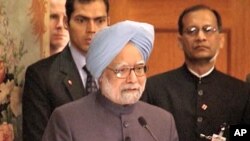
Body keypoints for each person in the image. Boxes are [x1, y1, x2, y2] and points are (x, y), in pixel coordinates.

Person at [42, 20, 179, 141]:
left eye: (139, 68)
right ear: (101, 75)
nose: (132, 79)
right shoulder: (66, 119)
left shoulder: (164, 122)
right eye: (122, 70)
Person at [141, 4, 250, 141]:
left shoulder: (242, 92)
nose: (200, 37)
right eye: (192, 30)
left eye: (208, 30)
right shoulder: (154, 88)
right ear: (180, 41)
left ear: (221, 40)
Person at [22, 0, 110, 141]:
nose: (92, 29)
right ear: (66, 22)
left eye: (100, 21)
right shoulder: (41, 76)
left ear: (108, 23)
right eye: (81, 20)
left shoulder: (122, 71)